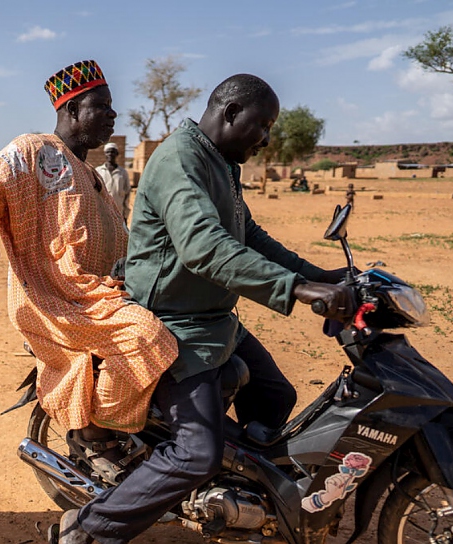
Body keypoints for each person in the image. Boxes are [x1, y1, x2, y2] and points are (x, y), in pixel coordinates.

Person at [54, 74, 352, 544]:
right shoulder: (181, 157)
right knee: (196, 453)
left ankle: (243, 492)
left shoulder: (222, 163)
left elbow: (248, 236)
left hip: (213, 319)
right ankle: (88, 531)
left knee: (275, 398)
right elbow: (205, 248)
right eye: (262, 125)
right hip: (172, 324)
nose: (267, 138)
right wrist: (295, 290)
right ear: (230, 113)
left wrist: (319, 274)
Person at [0, 60, 179, 481]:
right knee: (146, 337)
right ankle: (96, 435)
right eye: (103, 106)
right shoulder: (34, 150)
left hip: (103, 293)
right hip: (58, 297)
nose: (113, 115)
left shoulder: (91, 173)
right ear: (72, 110)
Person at [95, 142, 130, 221]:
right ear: (105, 154)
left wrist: (125, 214)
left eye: (113, 152)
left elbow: (127, 193)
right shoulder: (98, 171)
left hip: (118, 211)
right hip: (102, 211)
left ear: (117, 154)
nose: (110, 154)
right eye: (108, 152)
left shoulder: (123, 172)